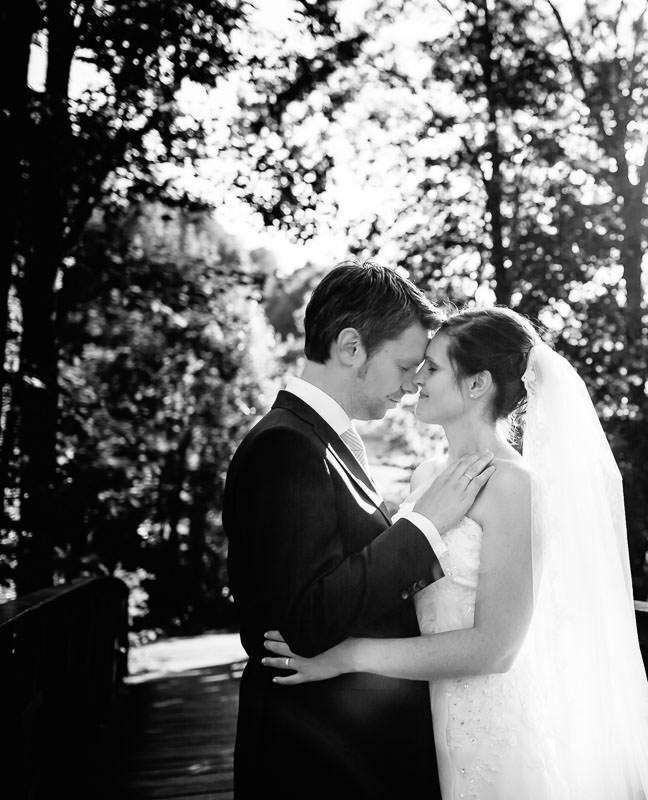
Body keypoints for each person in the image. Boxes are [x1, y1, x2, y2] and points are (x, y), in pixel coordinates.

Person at [262, 307, 648, 800]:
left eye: (433, 367)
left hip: (489, 731)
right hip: (417, 717)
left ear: (477, 384)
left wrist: (347, 656)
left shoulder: (514, 485)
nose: (417, 379)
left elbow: (496, 649)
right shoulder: (426, 477)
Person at [223, 261, 497, 799]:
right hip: (310, 761)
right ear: (351, 347)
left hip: (341, 752)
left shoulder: (322, 442)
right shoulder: (286, 446)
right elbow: (302, 623)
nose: (414, 383)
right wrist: (423, 527)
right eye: (405, 365)